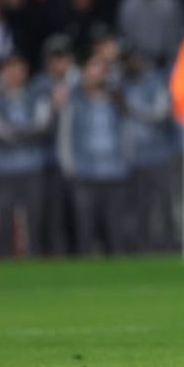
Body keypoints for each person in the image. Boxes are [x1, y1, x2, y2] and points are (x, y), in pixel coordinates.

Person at [57, 56, 129, 255]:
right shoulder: (73, 101)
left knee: (114, 230)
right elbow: (65, 136)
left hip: (114, 173)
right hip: (84, 174)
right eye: (89, 69)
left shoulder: (117, 101)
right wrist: (69, 167)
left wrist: (125, 163)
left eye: (98, 69)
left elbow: (126, 134)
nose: (93, 74)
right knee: (85, 231)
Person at [0, 52, 51, 257]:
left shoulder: (37, 95)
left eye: (18, 67)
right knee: (4, 219)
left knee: (35, 218)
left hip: (33, 166)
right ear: (2, 72)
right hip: (5, 168)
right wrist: (24, 131)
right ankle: (4, 262)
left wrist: (15, 130)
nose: (14, 72)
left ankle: (35, 260)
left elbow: (42, 125)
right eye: (9, 68)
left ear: (25, 70)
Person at [121, 47, 177, 253]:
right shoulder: (123, 84)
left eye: (134, 59)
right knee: (140, 207)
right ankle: (142, 248)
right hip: (135, 157)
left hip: (159, 155)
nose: (132, 63)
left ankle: (170, 245)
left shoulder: (156, 82)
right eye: (128, 60)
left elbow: (161, 112)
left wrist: (131, 107)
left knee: (164, 205)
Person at [31, 34, 79, 256]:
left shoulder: (79, 82)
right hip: (50, 161)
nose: (58, 63)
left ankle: (83, 257)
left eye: (62, 57)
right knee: (54, 215)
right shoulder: (39, 86)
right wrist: (52, 106)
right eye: (54, 58)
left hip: (80, 160)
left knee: (79, 215)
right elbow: (37, 125)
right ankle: (57, 257)